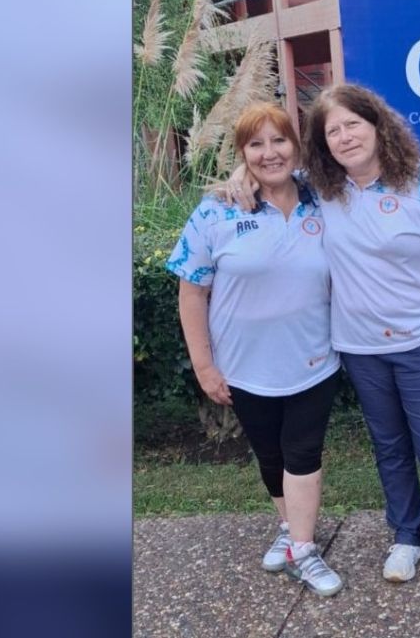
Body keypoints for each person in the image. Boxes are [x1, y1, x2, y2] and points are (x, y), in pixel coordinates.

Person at [228, 84, 420, 593]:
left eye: (353, 124)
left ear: (377, 125)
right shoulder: (320, 189)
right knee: (389, 446)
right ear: (323, 144)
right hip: (360, 347)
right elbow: (269, 170)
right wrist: (243, 172)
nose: (345, 137)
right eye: (333, 131)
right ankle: (407, 537)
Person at [166, 102, 344, 597]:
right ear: (243, 153)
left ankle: (304, 551)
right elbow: (192, 291)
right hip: (244, 366)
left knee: (302, 452)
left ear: (297, 145)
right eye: (256, 144)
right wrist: (204, 366)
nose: (270, 153)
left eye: (279, 140)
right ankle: (289, 529)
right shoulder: (218, 209)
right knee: (269, 455)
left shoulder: (323, 197)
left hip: (314, 359)